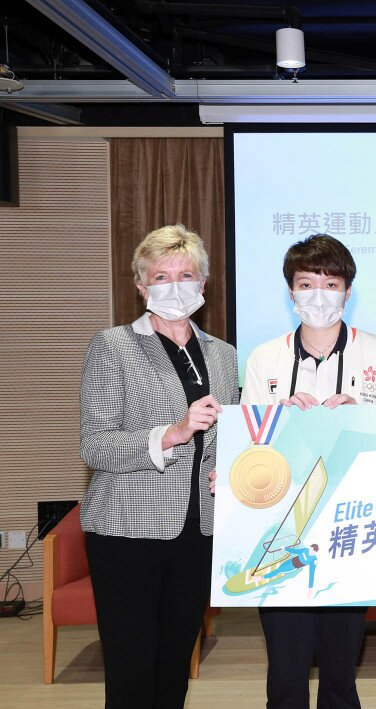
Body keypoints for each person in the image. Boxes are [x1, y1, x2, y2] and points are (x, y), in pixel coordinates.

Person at [79, 224, 239, 708]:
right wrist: (170, 433)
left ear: (203, 285)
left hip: (198, 533)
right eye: (161, 276)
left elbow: (228, 439)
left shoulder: (224, 355)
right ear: (141, 285)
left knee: (175, 663)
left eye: (186, 274)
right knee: (131, 668)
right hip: (126, 534)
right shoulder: (113, 347)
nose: (174, 286)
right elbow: (95, 445)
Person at [241, 233, 376, 709]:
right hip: (279, 526)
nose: (319, 295)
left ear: (348, 291)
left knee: (340, 666)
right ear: (291, 293)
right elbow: (247, 448)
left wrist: (359, 415)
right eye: (307, 284)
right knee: (286, 667)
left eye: (331, 283)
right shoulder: (266, 357)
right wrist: (278, 420)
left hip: (350, 524)